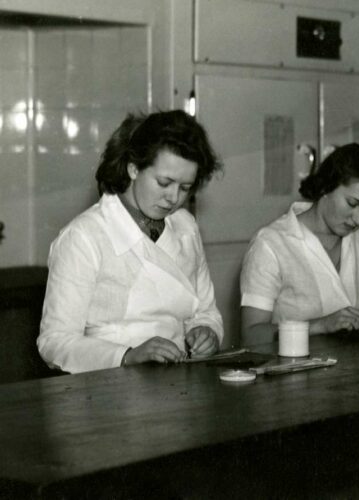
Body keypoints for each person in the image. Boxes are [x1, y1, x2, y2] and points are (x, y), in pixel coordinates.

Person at [38, 110, 223, 373]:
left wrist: (207, 332)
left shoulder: (185, 227)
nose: (173, 198)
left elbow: (206, 311)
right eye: (164, 182)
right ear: (133, 168)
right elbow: (54, 343)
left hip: (176, 380)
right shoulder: (84, 236)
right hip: (105, 385)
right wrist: (127, 356)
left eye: (184, 188)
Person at [240, 143, 359, 346]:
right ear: (326, 187)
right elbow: (251, 334)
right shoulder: (270, 244)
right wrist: (320, 325)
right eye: (353, 204)